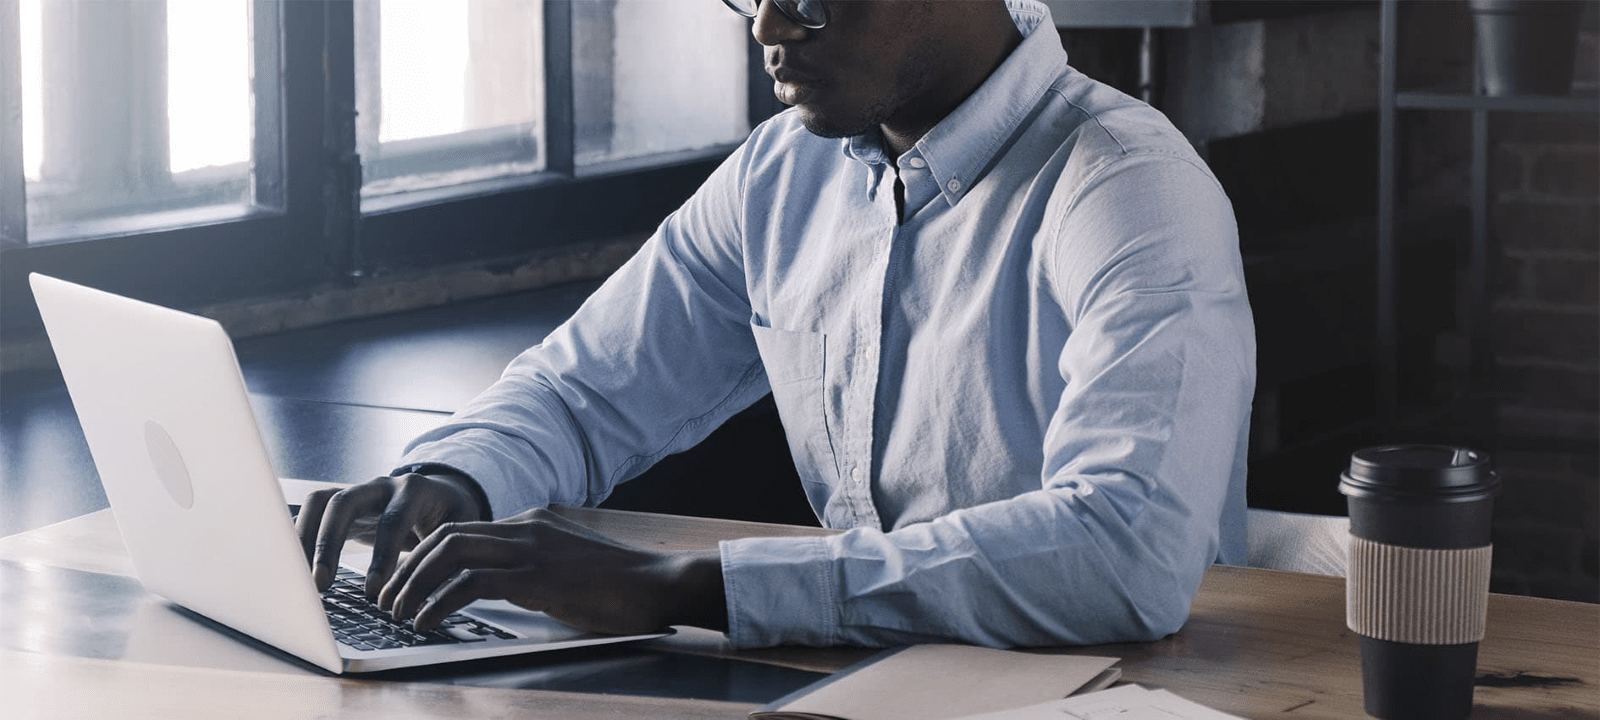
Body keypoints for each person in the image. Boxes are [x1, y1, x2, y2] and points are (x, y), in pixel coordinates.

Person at [296, 0, 1256, 649]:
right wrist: (455, 481)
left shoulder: (1128, 186)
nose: (768, 27)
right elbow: (584, 393)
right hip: (871, 676)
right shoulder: (783, 175)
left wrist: (687, 588)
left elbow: (1126, 549)